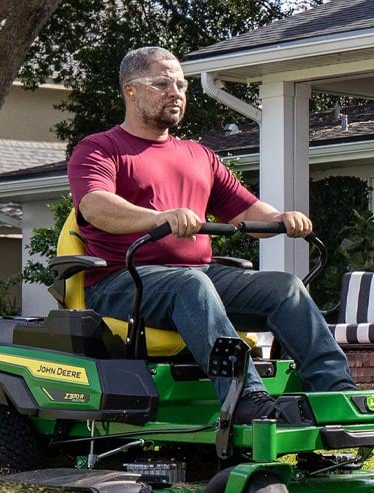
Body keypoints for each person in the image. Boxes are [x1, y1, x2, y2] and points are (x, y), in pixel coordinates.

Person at [67, 46, 356, 425]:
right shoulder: (101, 149)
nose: (176, 92)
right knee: (192, 285)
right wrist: (161, 217)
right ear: (131, 90)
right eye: (162, 83)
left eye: (182, 85)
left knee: (285, 288)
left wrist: (281, 217)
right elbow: (94, 206)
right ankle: (248, 399)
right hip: (122, 282)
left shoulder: (199, 156)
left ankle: (338, 395)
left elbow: (246, 210)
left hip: (197, 277)